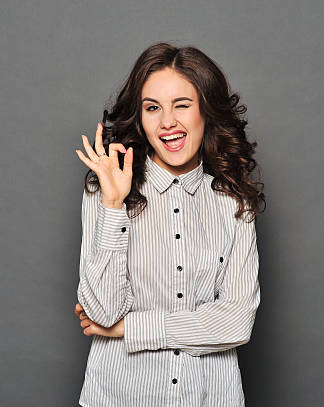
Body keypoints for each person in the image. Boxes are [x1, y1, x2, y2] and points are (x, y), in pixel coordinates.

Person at [73, 42, 265, 407]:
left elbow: (237, 321)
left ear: (206, 111)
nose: (167, 123)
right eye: (152, 108)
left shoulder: (235, 203)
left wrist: (129, 329)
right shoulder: (106, 188)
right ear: (140, 118)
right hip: (118, 397)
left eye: (182, 105)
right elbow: (100, 311)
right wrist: (113, 205)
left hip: (211, 397)